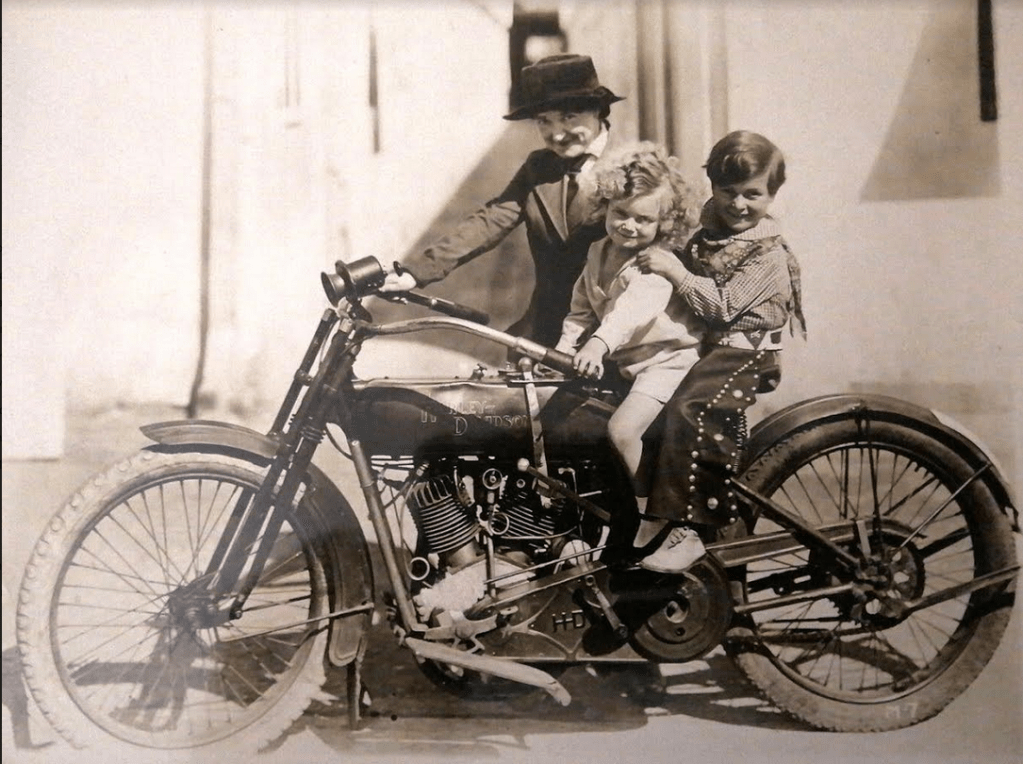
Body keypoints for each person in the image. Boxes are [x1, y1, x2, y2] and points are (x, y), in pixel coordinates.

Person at [634, 130, 806, 573]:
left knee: (692, 409)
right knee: (651, 404)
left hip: (746, 353)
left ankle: (690, 530)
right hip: (714, 350)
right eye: (728, 192)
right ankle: (652, 509)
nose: (739, 204)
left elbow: (722, 307)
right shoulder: (712, 233)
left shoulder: (766, 253)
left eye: (753, 194)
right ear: (713, 187)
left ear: (772, 195)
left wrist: (674, 271)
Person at [381, 54, 625, 349]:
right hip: (548, 326)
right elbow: (491, 220)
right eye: (544, 121)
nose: (557, 134)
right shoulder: (539, 167)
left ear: (597, 110)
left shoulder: (632, 165)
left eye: (568, 117)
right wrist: (415, 272)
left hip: (615, 333)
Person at [554, 141, 704, 557]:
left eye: (644, 219)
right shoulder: (597, 252)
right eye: (621, 213)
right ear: (605, 206)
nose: (629, 226)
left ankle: (656, 516)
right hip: (629, 363)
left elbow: (629, 313)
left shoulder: (653, 264)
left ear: (665, 223)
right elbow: (582, 308)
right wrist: (564, 350)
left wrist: (598, 344)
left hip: (666, 361)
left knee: (622, 430)